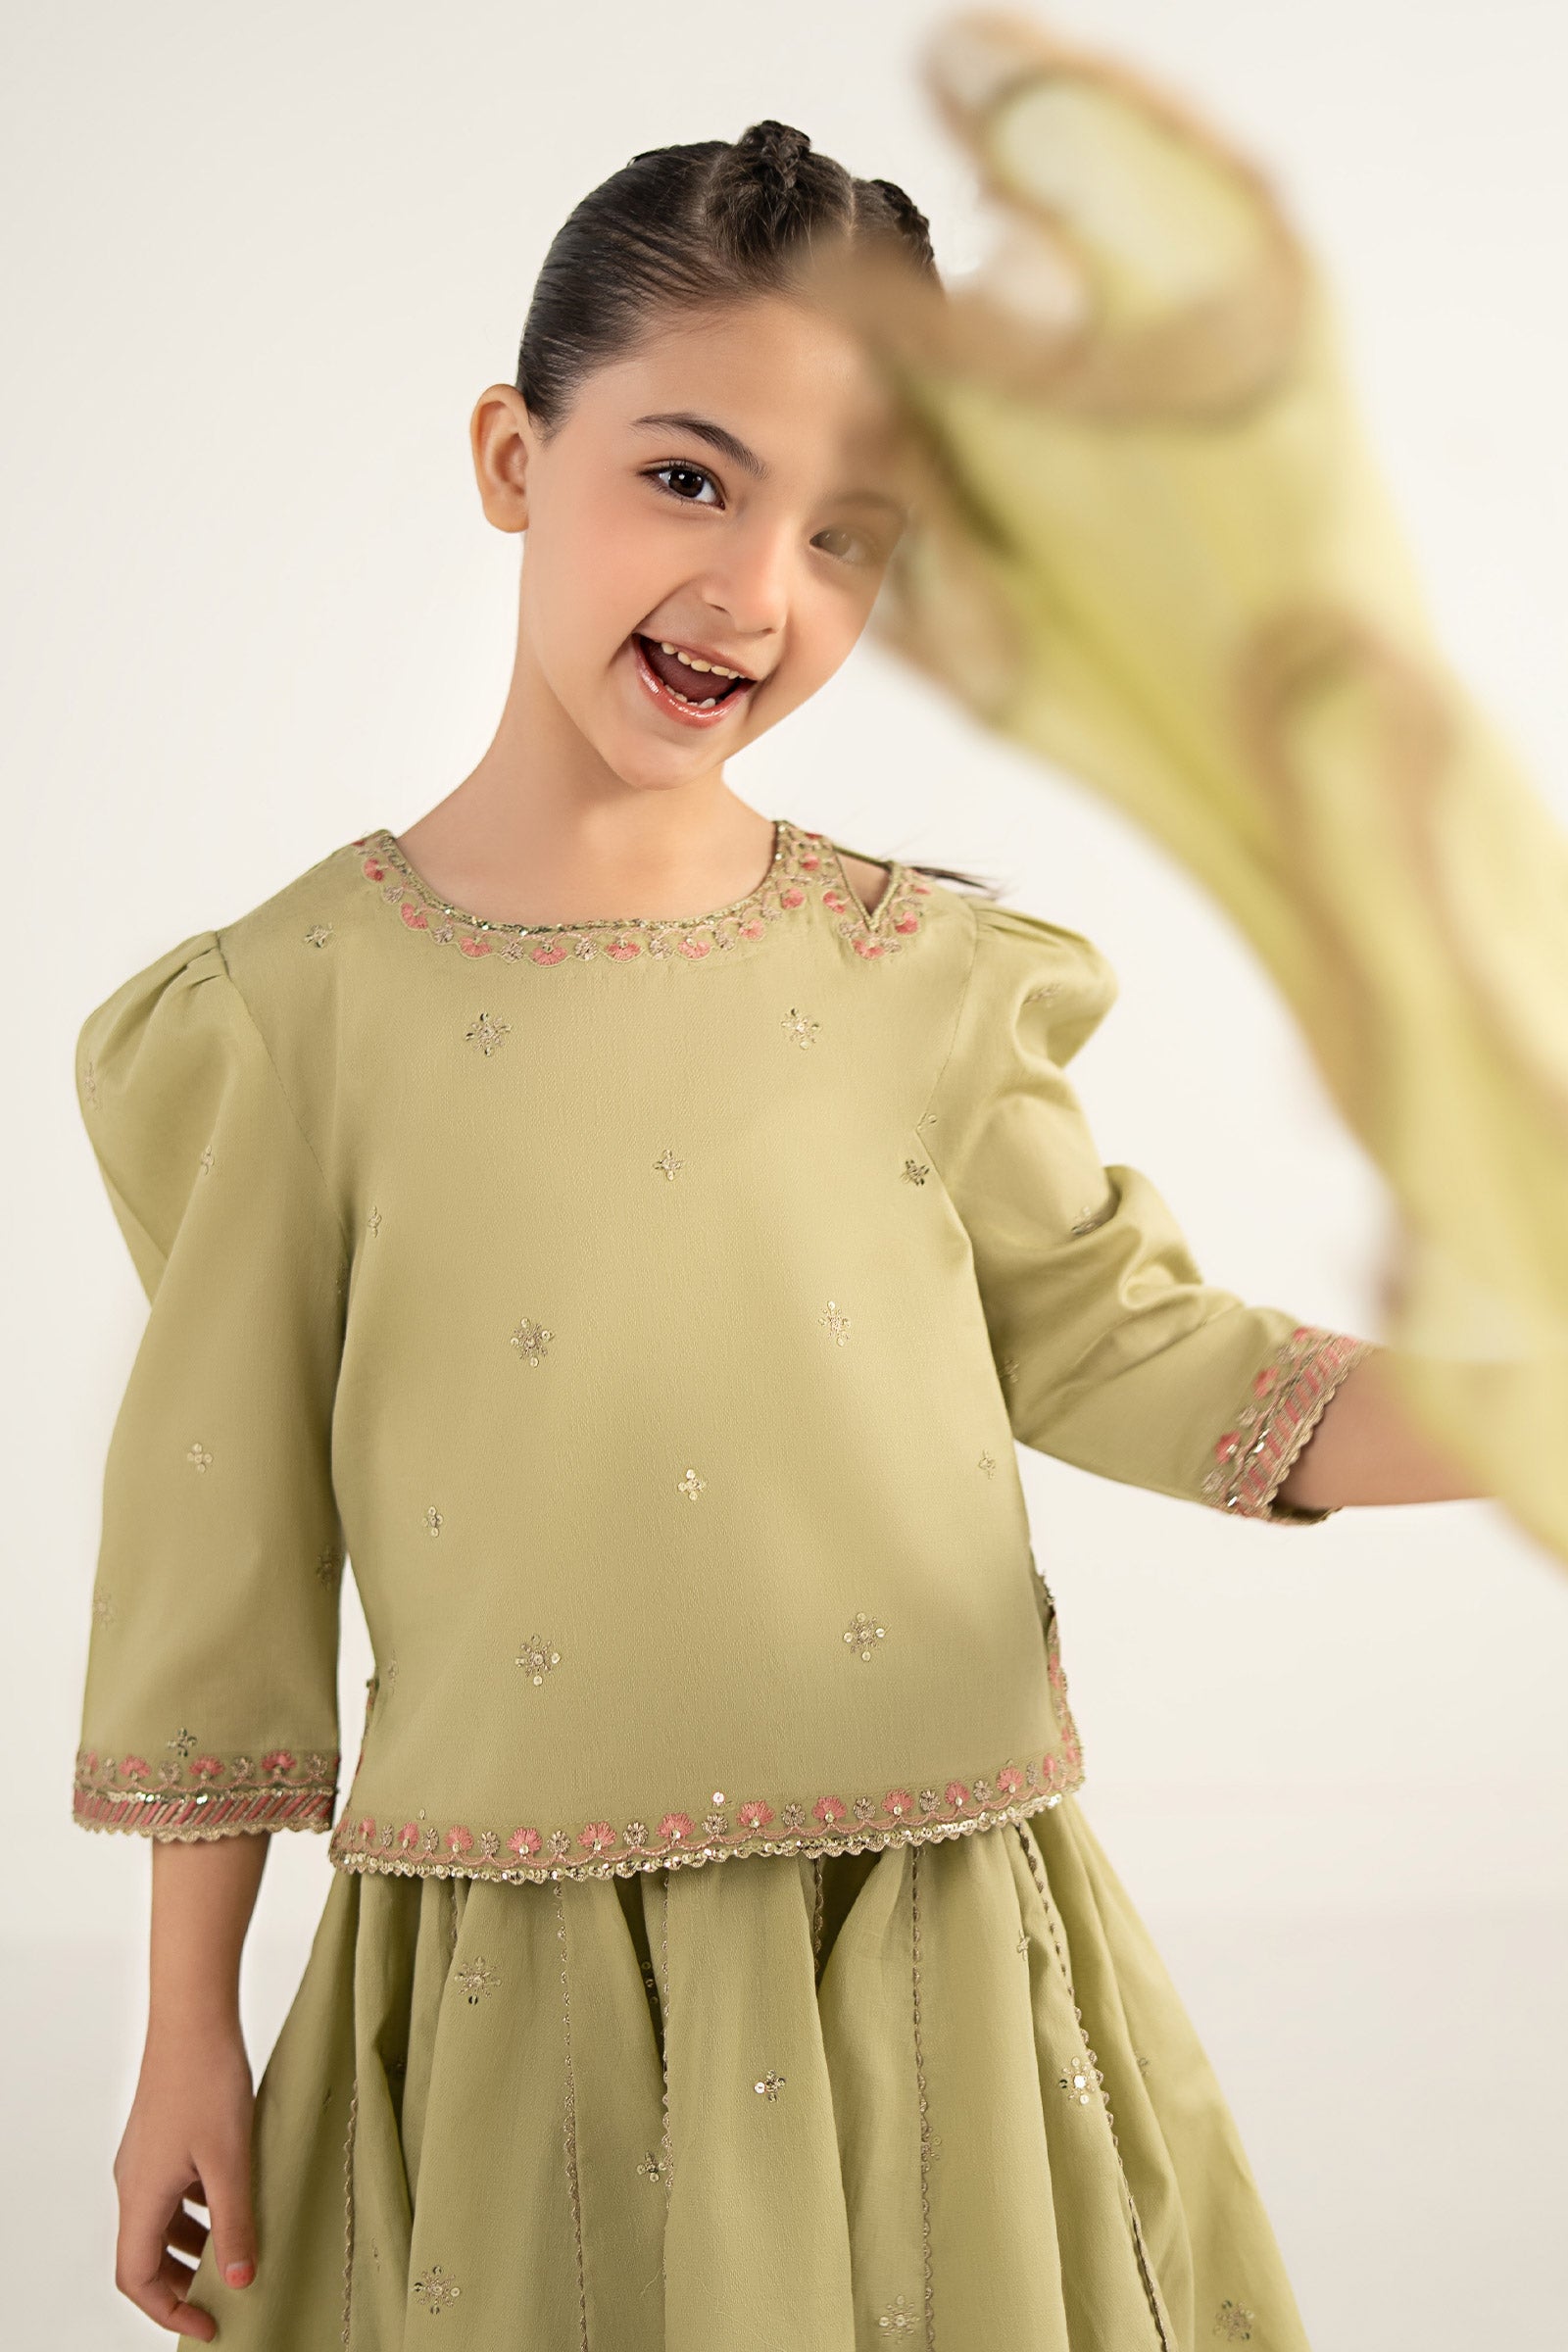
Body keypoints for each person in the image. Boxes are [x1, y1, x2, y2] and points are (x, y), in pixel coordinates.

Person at [73, 120, 1482, 2351]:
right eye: (689, 480)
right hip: (512, 1977)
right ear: (513, 457)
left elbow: (1152, 1357)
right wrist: (184, 2028)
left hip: (926, 1964)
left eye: (850, 535)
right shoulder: (286, 1017)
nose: (756, 595)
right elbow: (219, 1557)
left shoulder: (921, 981)